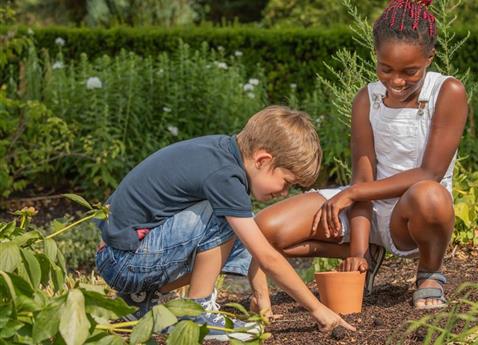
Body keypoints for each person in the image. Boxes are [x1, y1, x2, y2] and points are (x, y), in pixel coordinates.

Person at [253, 0, 468, 310]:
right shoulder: (367, 100)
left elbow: (429, 173)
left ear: (430, 58)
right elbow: (363, 179)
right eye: (385, 68)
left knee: (430, 195)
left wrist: (352, 193)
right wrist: (357, 250)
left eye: (410, 71)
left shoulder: (447, 92)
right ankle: (368, 257)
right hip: (365, 206)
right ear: (375, 57)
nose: (396, 81)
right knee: (266, 228)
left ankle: (429, 274)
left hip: (412, 214)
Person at [94, 106, 355, 342]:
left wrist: (262, 300)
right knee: (225, 220)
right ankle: (196, 312)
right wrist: (318, 309)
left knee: (242, 230)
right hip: (125, 261)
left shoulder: (223, 154)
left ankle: (139, 300)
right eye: (286, 182)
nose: (285, 192)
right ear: (263, 160)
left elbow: (256, 248)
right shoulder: (224, 176)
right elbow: (267, 257)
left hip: (123, 256)